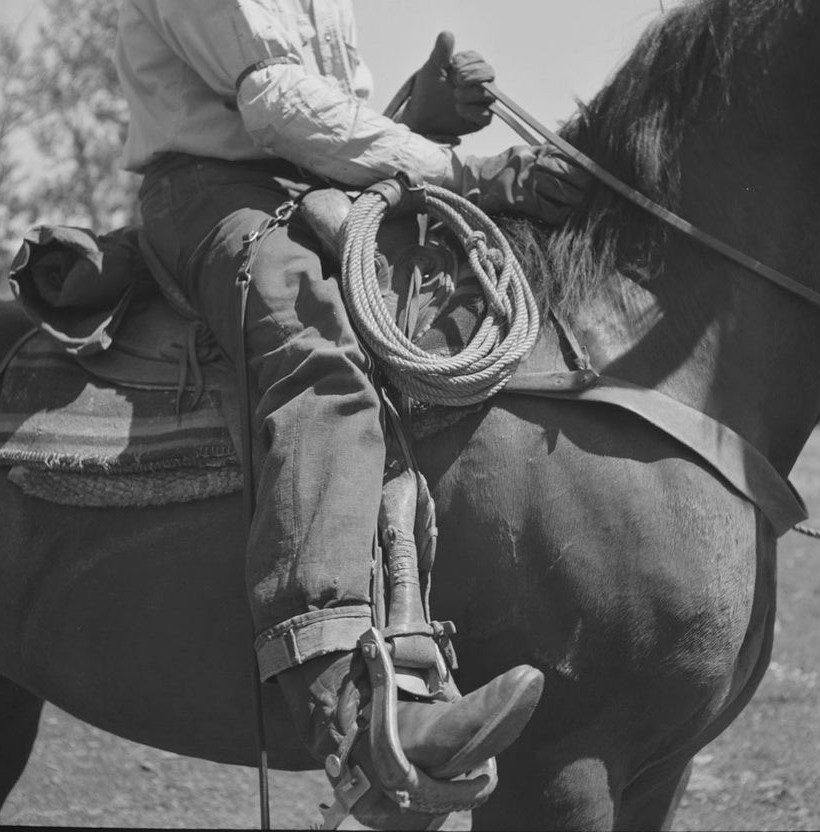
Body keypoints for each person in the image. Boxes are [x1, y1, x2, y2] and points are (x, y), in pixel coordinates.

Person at [115, 1, 587, 825]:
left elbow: (313, 115)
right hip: (215, 195)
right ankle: (352, 713)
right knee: (318, 357)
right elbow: (274, 105)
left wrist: (413, 112)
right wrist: (463, 169)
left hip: (313, 186)